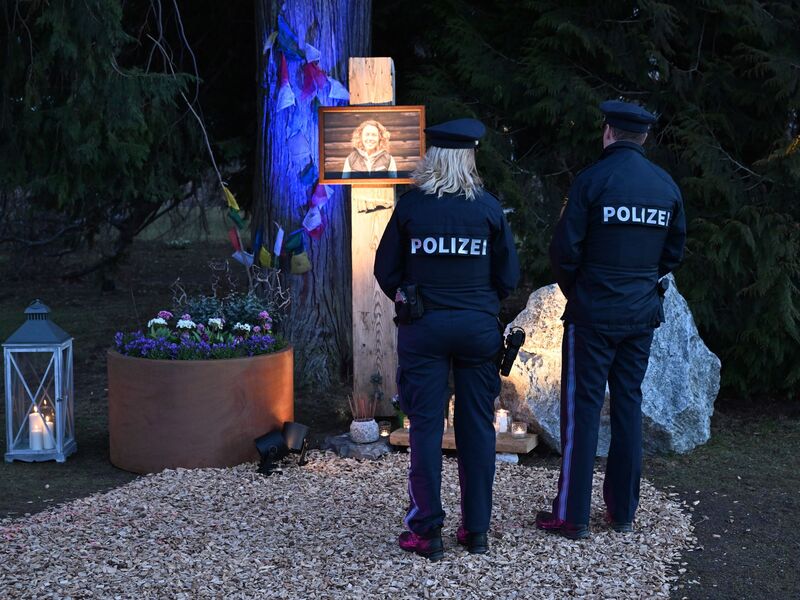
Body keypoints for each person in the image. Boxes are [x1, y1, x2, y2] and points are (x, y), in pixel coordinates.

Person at [535, 100, 686, 539]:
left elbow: (564, 251)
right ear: (644, 137)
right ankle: (622, 513)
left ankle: (573, 516)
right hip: (640, 315)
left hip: (593, 314)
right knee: (628, 406)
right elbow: (672, 252)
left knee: (581, 410)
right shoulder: (665, 185)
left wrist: (580, 291)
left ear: (608, 133)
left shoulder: (592, 180)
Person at [374, 118, 520, 560]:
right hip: (478, 330)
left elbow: (385, 270)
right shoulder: (488, 209)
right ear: (468, 157)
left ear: (433, 157)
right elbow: (508, 277)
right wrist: (478, 302)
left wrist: (409, 296)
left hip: (424, 328)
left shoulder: (412, 207)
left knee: (425, 427)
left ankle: (426, 532)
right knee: (476, 427)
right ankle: (476, 531)